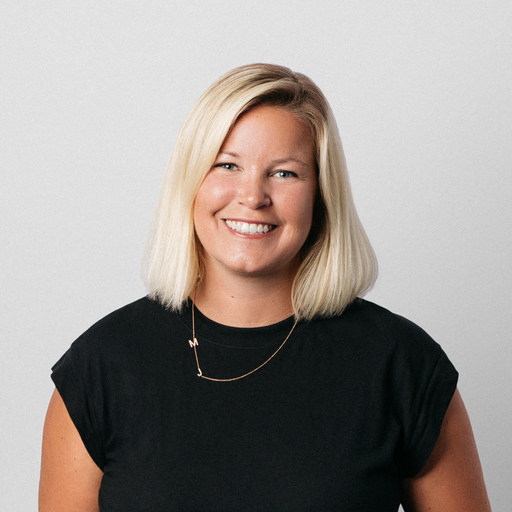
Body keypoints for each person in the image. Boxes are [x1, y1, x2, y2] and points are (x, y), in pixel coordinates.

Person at [39, 64, 491, 511]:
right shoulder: (100, 368)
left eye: (284, 173)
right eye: (227, 165)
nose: (253, 196)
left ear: (321, 193)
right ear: (190, 181)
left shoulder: (402, 366)